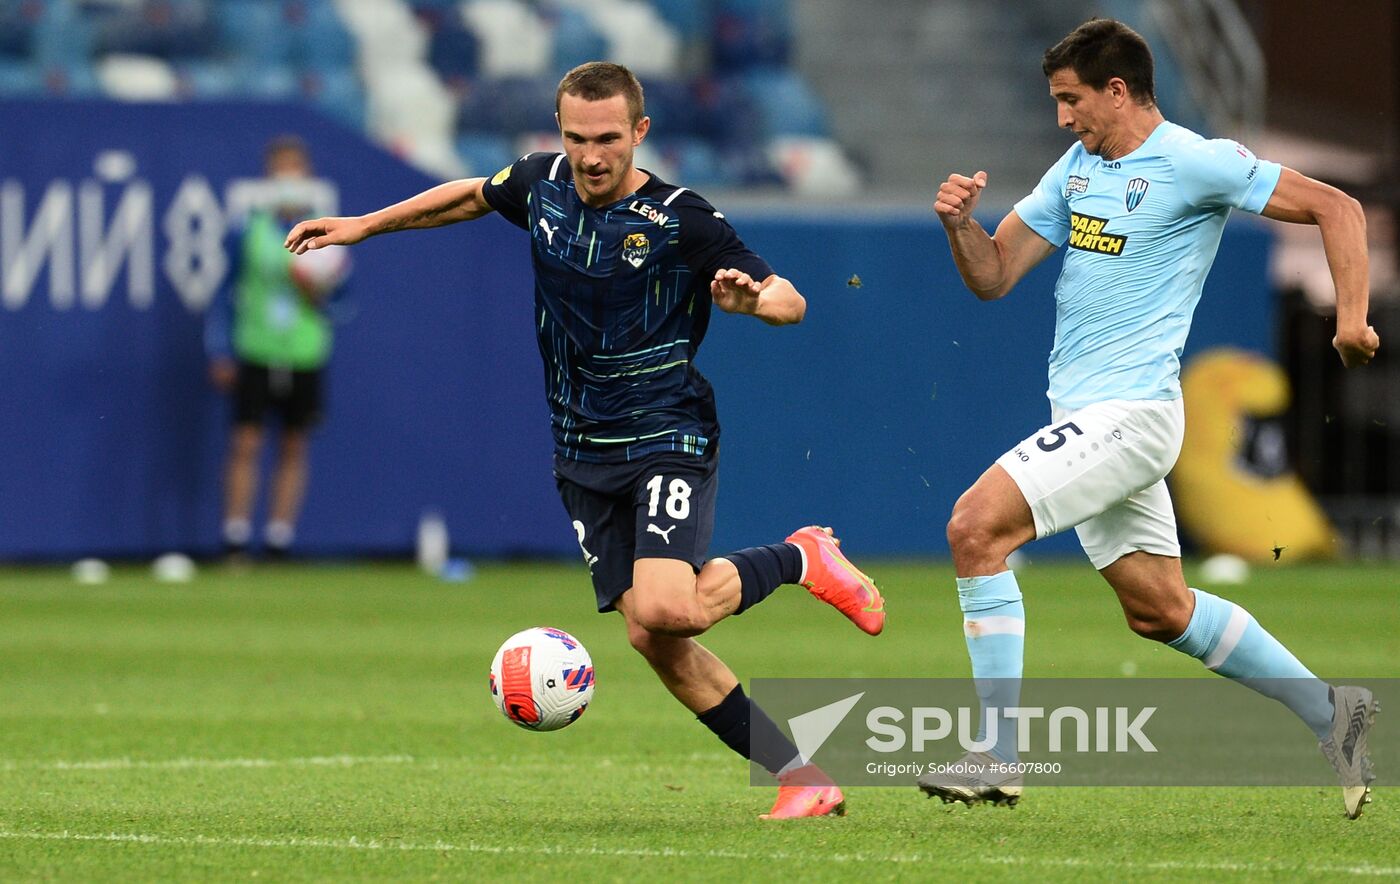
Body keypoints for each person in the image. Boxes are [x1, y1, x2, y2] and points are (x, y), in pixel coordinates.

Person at [284, 62, 885, 820]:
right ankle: (801, 777)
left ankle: (801, 556)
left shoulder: (680, 217)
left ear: (639, 132)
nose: (592, 156)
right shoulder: (543, 186)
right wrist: (366, 225)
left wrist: (756, 301)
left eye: (607, 139)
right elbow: (470, 194)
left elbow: (787, 298)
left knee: (670, 611)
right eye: (576, 139)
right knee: (651, 635)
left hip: (667, 430)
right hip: (580, 447)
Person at [918, 19, 1380, 818]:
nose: (1062, 119)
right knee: (1159, 610)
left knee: (973, 529)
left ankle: (997, 753)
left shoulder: (1196, 162)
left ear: (1119, 91)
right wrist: (961, 226)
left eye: (1072, 101)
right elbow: (994, 279)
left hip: (1131, 415)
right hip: (1088, 414)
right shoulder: (1076, 170)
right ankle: (1334, 713)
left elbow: (1339, 208)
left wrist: (1350, 320)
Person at [207, 136, 347, 559]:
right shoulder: (247, 230)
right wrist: (219, 348)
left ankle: (279, 538)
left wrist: (316, 292)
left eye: (295, 169)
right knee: (245, 441)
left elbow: (344, 302)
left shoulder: (327, 231)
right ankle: (235, 535)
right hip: (257, 346)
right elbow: (224, 292)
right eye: (280, 170)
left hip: (305, 349)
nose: (288, 178)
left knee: (293, 443)